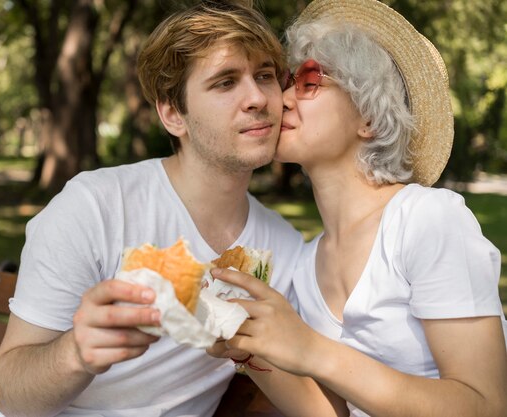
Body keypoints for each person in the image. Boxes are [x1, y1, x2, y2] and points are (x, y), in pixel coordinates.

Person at [0, 1, 304, 416]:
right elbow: (10, 394)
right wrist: (74, 354)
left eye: (264, 76)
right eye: (225, 83)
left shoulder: (285, 250)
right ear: (172, 114)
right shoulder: (95, 207)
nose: (257, 97)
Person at [207, 0, 507, 416]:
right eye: (288, 82)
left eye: (309, 82)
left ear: (367, 115)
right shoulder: (306, 264)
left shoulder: (426, 220)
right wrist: (245, 345)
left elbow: (486, 406)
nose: (283, 100)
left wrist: (310, 349)